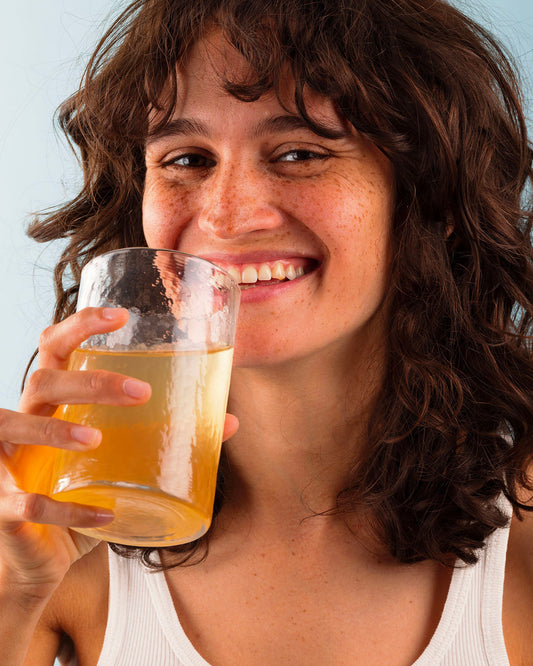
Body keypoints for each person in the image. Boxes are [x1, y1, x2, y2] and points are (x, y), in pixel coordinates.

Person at [1, 0, 532, 663]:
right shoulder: (54, 535)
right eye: (187, 159)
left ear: (432, 194)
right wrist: (13, 592)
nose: (227, 216)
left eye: (299, 152)